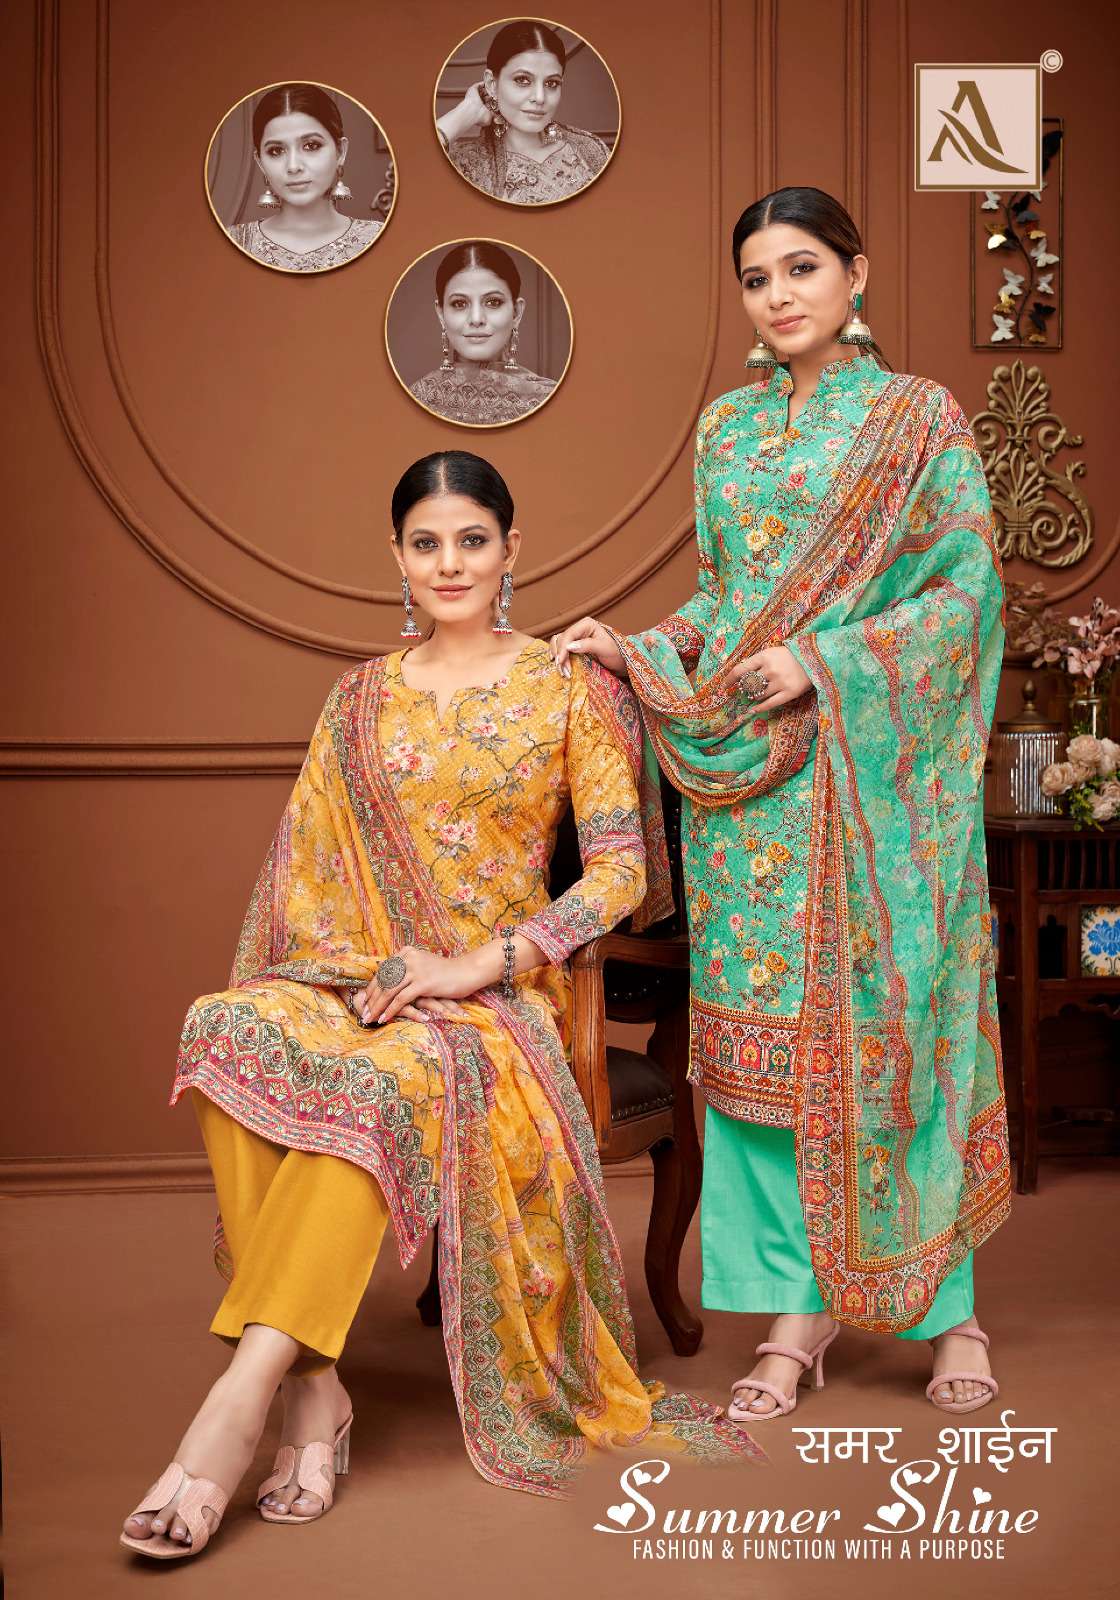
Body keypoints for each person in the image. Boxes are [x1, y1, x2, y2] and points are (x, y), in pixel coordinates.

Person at [118, 450, 763, 1563]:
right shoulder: (357, 697)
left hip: (496, 1001)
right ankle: (314, 1388)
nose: (450, 562)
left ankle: (242, 1398)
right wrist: (350, 978)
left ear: (512, 550)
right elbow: (307, 874)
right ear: (399, 558)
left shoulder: (570, 686)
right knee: (221, 1027)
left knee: (381, 1080)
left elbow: (620, 872)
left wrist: (478, 964)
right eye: (427, 543)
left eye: (472, 540)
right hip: (360, 974)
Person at [550, 186, 1012, 1424]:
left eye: (802, 267)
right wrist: (636, 648)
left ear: (856, 276)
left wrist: (823, 662)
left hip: (877, 797)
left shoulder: (918, 419)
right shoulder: (727, 430)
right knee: (759, 1067)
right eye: (756, 277)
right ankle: (791, 1319)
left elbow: (964, 597)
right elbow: (724, 599)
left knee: (894, 1043)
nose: (779, 295)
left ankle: (947, 1311)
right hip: (748, 809)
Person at [436, 19, 612, 204]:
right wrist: (468, 109)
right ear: (491, 84)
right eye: (522, 80)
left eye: (551, 83)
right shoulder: (464, 163)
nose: (540, 97)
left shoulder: (589, 150)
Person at [225, 83, 383, 272]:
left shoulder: (378, 238)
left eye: (311, 146)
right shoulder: (234, 242)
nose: (293, 166)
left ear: (341, 152)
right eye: (276, 151)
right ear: (260, 161)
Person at [406, 242, 559, 426]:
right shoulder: (417, 399)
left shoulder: (552, 400)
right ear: (441, 314)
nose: (476, 319)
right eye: (459, 304)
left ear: (516, 312)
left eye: (493, 302)